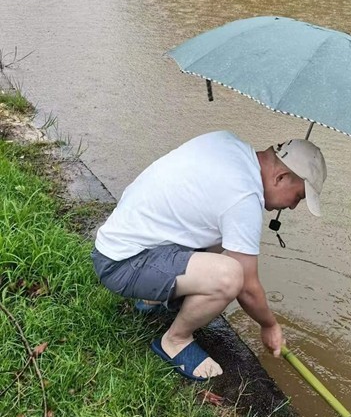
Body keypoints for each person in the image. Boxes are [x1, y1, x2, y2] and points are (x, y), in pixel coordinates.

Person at [91, 131, 327, 382]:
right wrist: (269, 325)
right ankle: (175, 341)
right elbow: (247, 287)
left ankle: (153, 300)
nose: (292, 206)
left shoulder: (227, 142)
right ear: (281, 177)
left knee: (228, 238)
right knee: (231, 276)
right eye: (298, 197)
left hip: (121, 243)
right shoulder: (244, 196)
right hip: (122, 264)